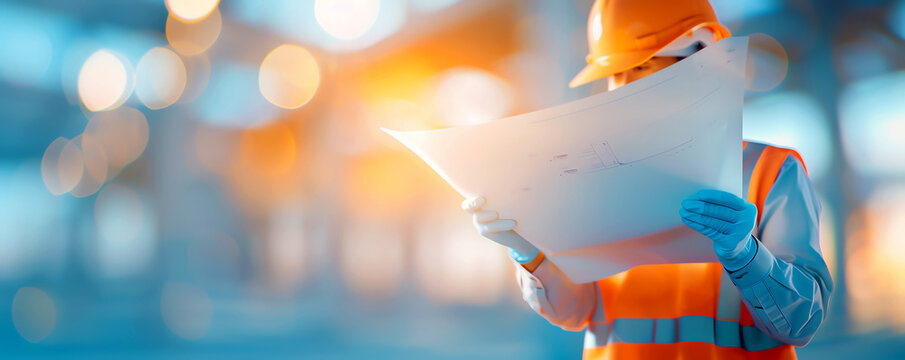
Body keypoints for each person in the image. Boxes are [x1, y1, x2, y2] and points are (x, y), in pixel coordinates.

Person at [462, 0, 833, 359]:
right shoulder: (592, 175)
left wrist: (747, 257)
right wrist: (531, 254)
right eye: (616, 76)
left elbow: (802, 324)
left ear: (697, 63)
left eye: (639, 71)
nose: (622, 90)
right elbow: (574, 311)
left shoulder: (770, 170)